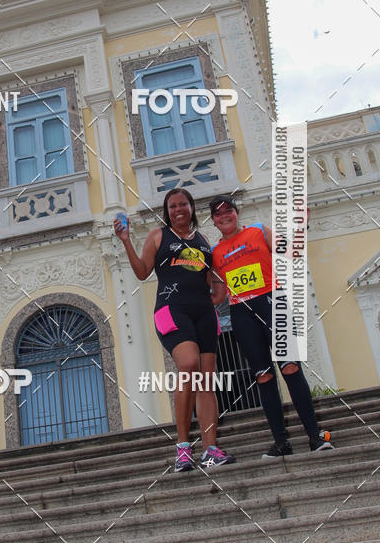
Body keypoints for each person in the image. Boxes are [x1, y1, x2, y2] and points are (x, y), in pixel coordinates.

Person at [114, 188, 235, 472]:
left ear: (191, 208)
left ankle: (211, 449)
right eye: (172, 206)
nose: (178, 209)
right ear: (167, 212)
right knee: (189, 365)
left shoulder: (203, 240)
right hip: (171, 311)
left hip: (204, 313)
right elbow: (143, 271)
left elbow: (214, 283)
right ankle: (182, 448)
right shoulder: (159, 236)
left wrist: (220, 291)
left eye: (183, 204)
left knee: (207, 381)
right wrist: (126, 241)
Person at [209, 194, 333, 458]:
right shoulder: (215, 252)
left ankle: (315, 436)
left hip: (271, 302)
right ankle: (281, 442)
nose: (224, 216)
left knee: (290, 367)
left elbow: (289, 251)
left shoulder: (257, 230)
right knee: (263, 376)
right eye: (218, 214)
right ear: (214, 221)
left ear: (236, 212)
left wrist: (300, 226)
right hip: (241, 312)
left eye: (228, 210)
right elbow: (218, 295)